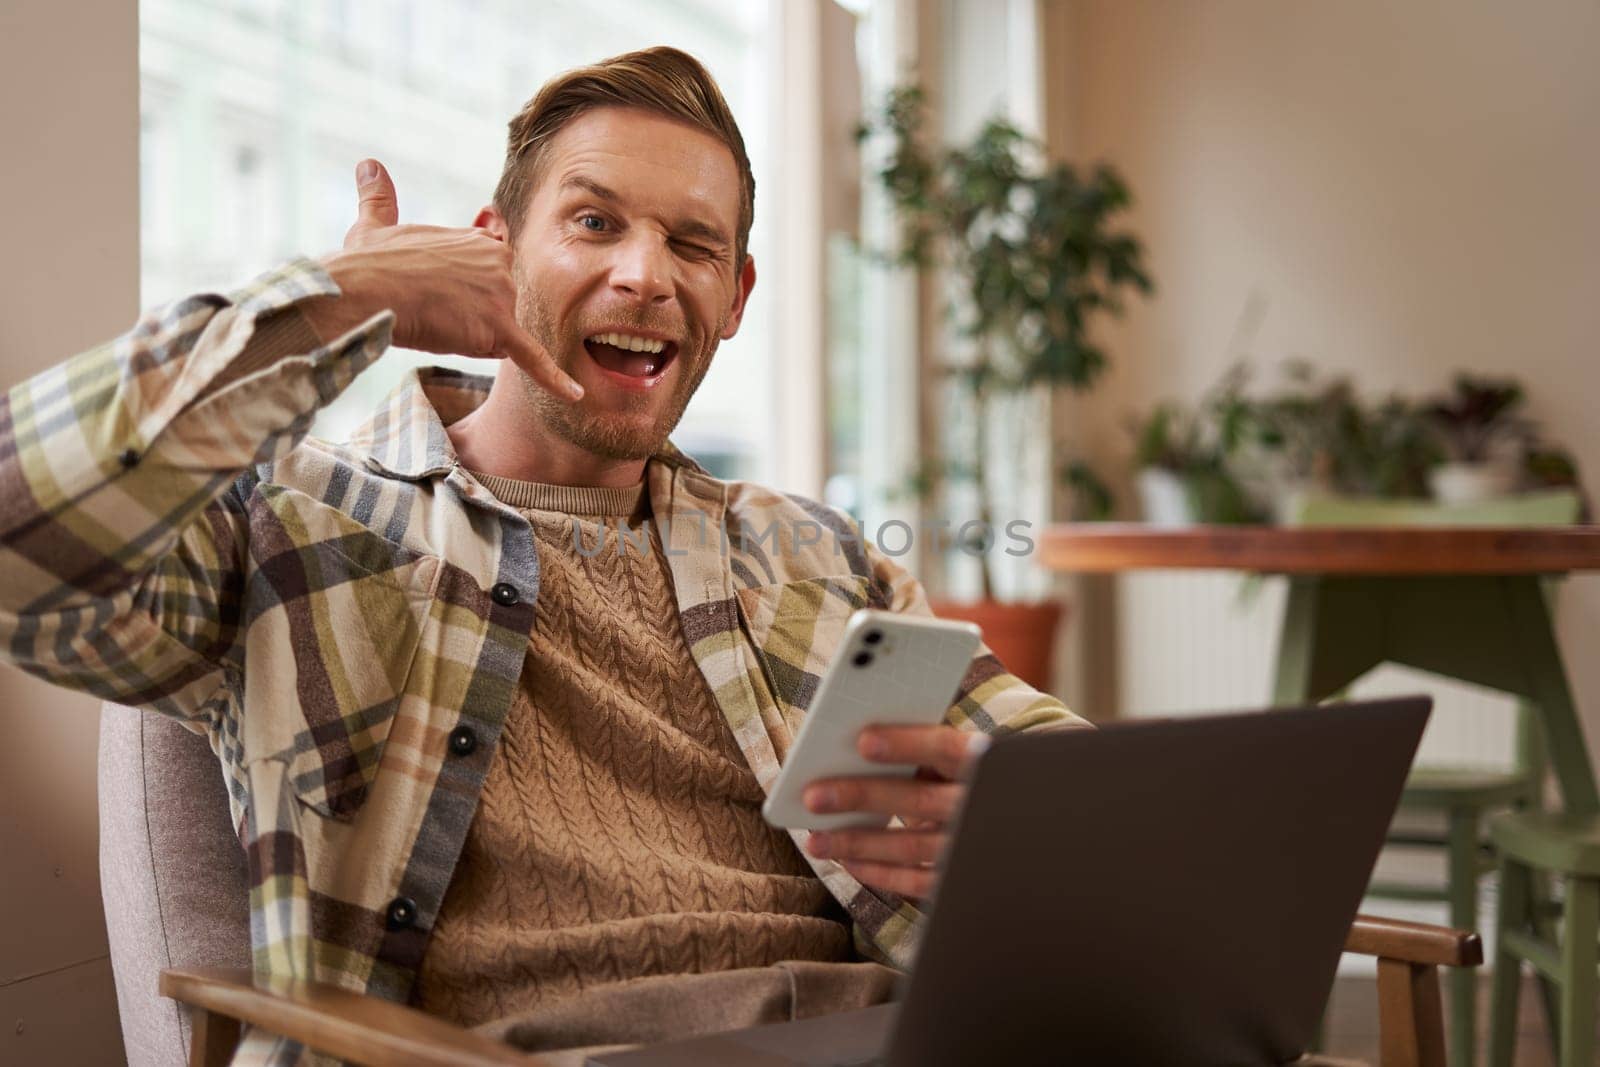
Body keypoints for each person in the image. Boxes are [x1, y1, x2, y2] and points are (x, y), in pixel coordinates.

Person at [0, 46, 1083, 1064]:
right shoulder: (291, 520)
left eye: (693, 244)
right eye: (594, 221)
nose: (646, 275)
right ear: (496, 248)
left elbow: (1107, 805)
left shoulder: (824, 555)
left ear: (736, 298)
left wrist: (1015, 821)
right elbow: (19, 536)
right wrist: (335, 299)